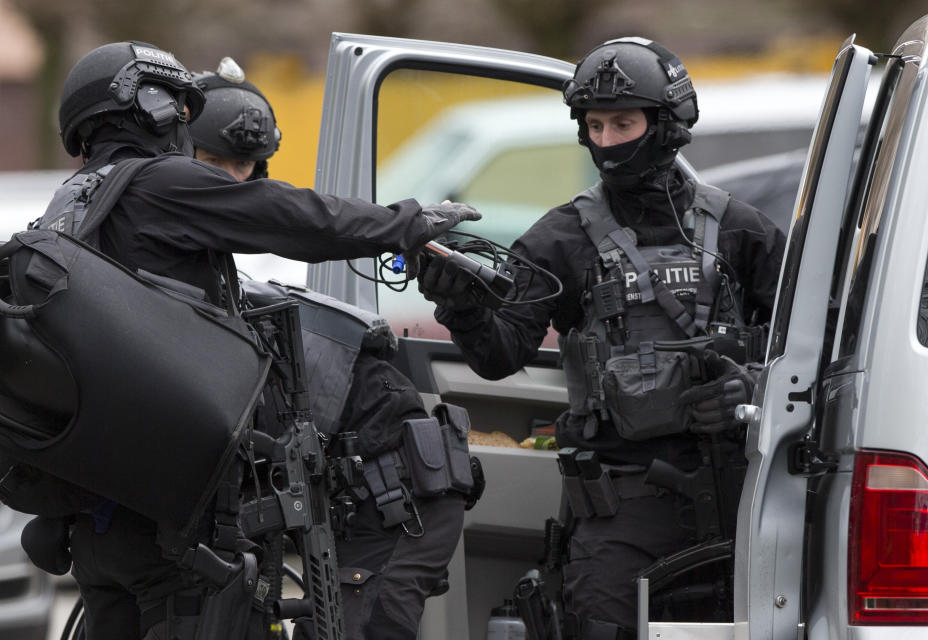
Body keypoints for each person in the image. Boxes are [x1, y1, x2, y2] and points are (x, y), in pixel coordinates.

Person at [13, 40, 479, 640]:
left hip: (102, 523)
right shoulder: (156, 184)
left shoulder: (70, 206)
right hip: (175, 529)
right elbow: (289, 217)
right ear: (146, 105)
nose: (181, 121)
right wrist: (405, 224)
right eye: (174, 106)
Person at [418, 37, 786, 638]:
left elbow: (816, 354)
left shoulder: (744, 231)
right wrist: (461, 307)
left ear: (667, 124)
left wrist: (754, 388)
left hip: (744, 499)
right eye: (595, 125)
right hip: (620, 513)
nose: (609, 140)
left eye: (624, 122)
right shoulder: (560, 238)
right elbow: (498, 355)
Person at [189, 60, 471, 639]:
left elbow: (295, 216)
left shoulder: (231, 291)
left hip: (393, 491)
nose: (229, 181)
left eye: (241, 166)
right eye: (211, 162)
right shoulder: (168, 260)